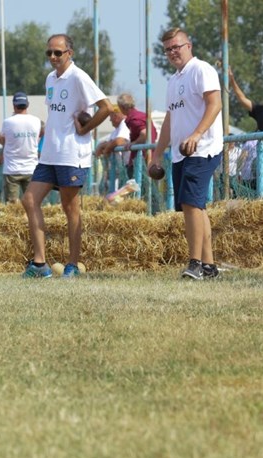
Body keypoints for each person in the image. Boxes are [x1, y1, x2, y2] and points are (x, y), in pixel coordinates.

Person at [21, 34, 112, 278]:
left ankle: (73, 264)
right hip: (50, 153)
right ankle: (40, 264)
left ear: (69, 53)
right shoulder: (50, 78)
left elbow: (107, 108)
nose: (52, 57)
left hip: (72, 153)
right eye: (49, 53)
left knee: (69, 208)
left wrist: (85, 128)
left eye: (57, 53)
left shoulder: (79, 76)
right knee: (29, 200)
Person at [151, 27, 223, 280]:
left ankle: (194, 263)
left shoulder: (201, 70)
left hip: (202, 148)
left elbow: (215, 104)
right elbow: (170, 120)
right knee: (195, 207)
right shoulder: (174, 81)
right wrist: (156, 154)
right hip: (182, 153)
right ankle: (209, 266)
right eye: (168, 49)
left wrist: (197, 134)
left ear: (188, 45)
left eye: (176, 47)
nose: (172, 52)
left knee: (191, 203)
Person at [0, 91, 43, 203]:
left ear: (14, 105)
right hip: (31, 167)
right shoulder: (36, 121)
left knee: (12, 203)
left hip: (12, 168)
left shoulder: (7, 122)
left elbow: (3, 139)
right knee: (33, 202)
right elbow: (42, 133)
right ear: (27, 104)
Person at [117, 93, 159, 178]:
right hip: (150, 158)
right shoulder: (142, 115)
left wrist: (133, 143)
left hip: (141, 161)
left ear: (121, 107)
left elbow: (144, 133)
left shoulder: (134, 119)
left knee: (136, 186)